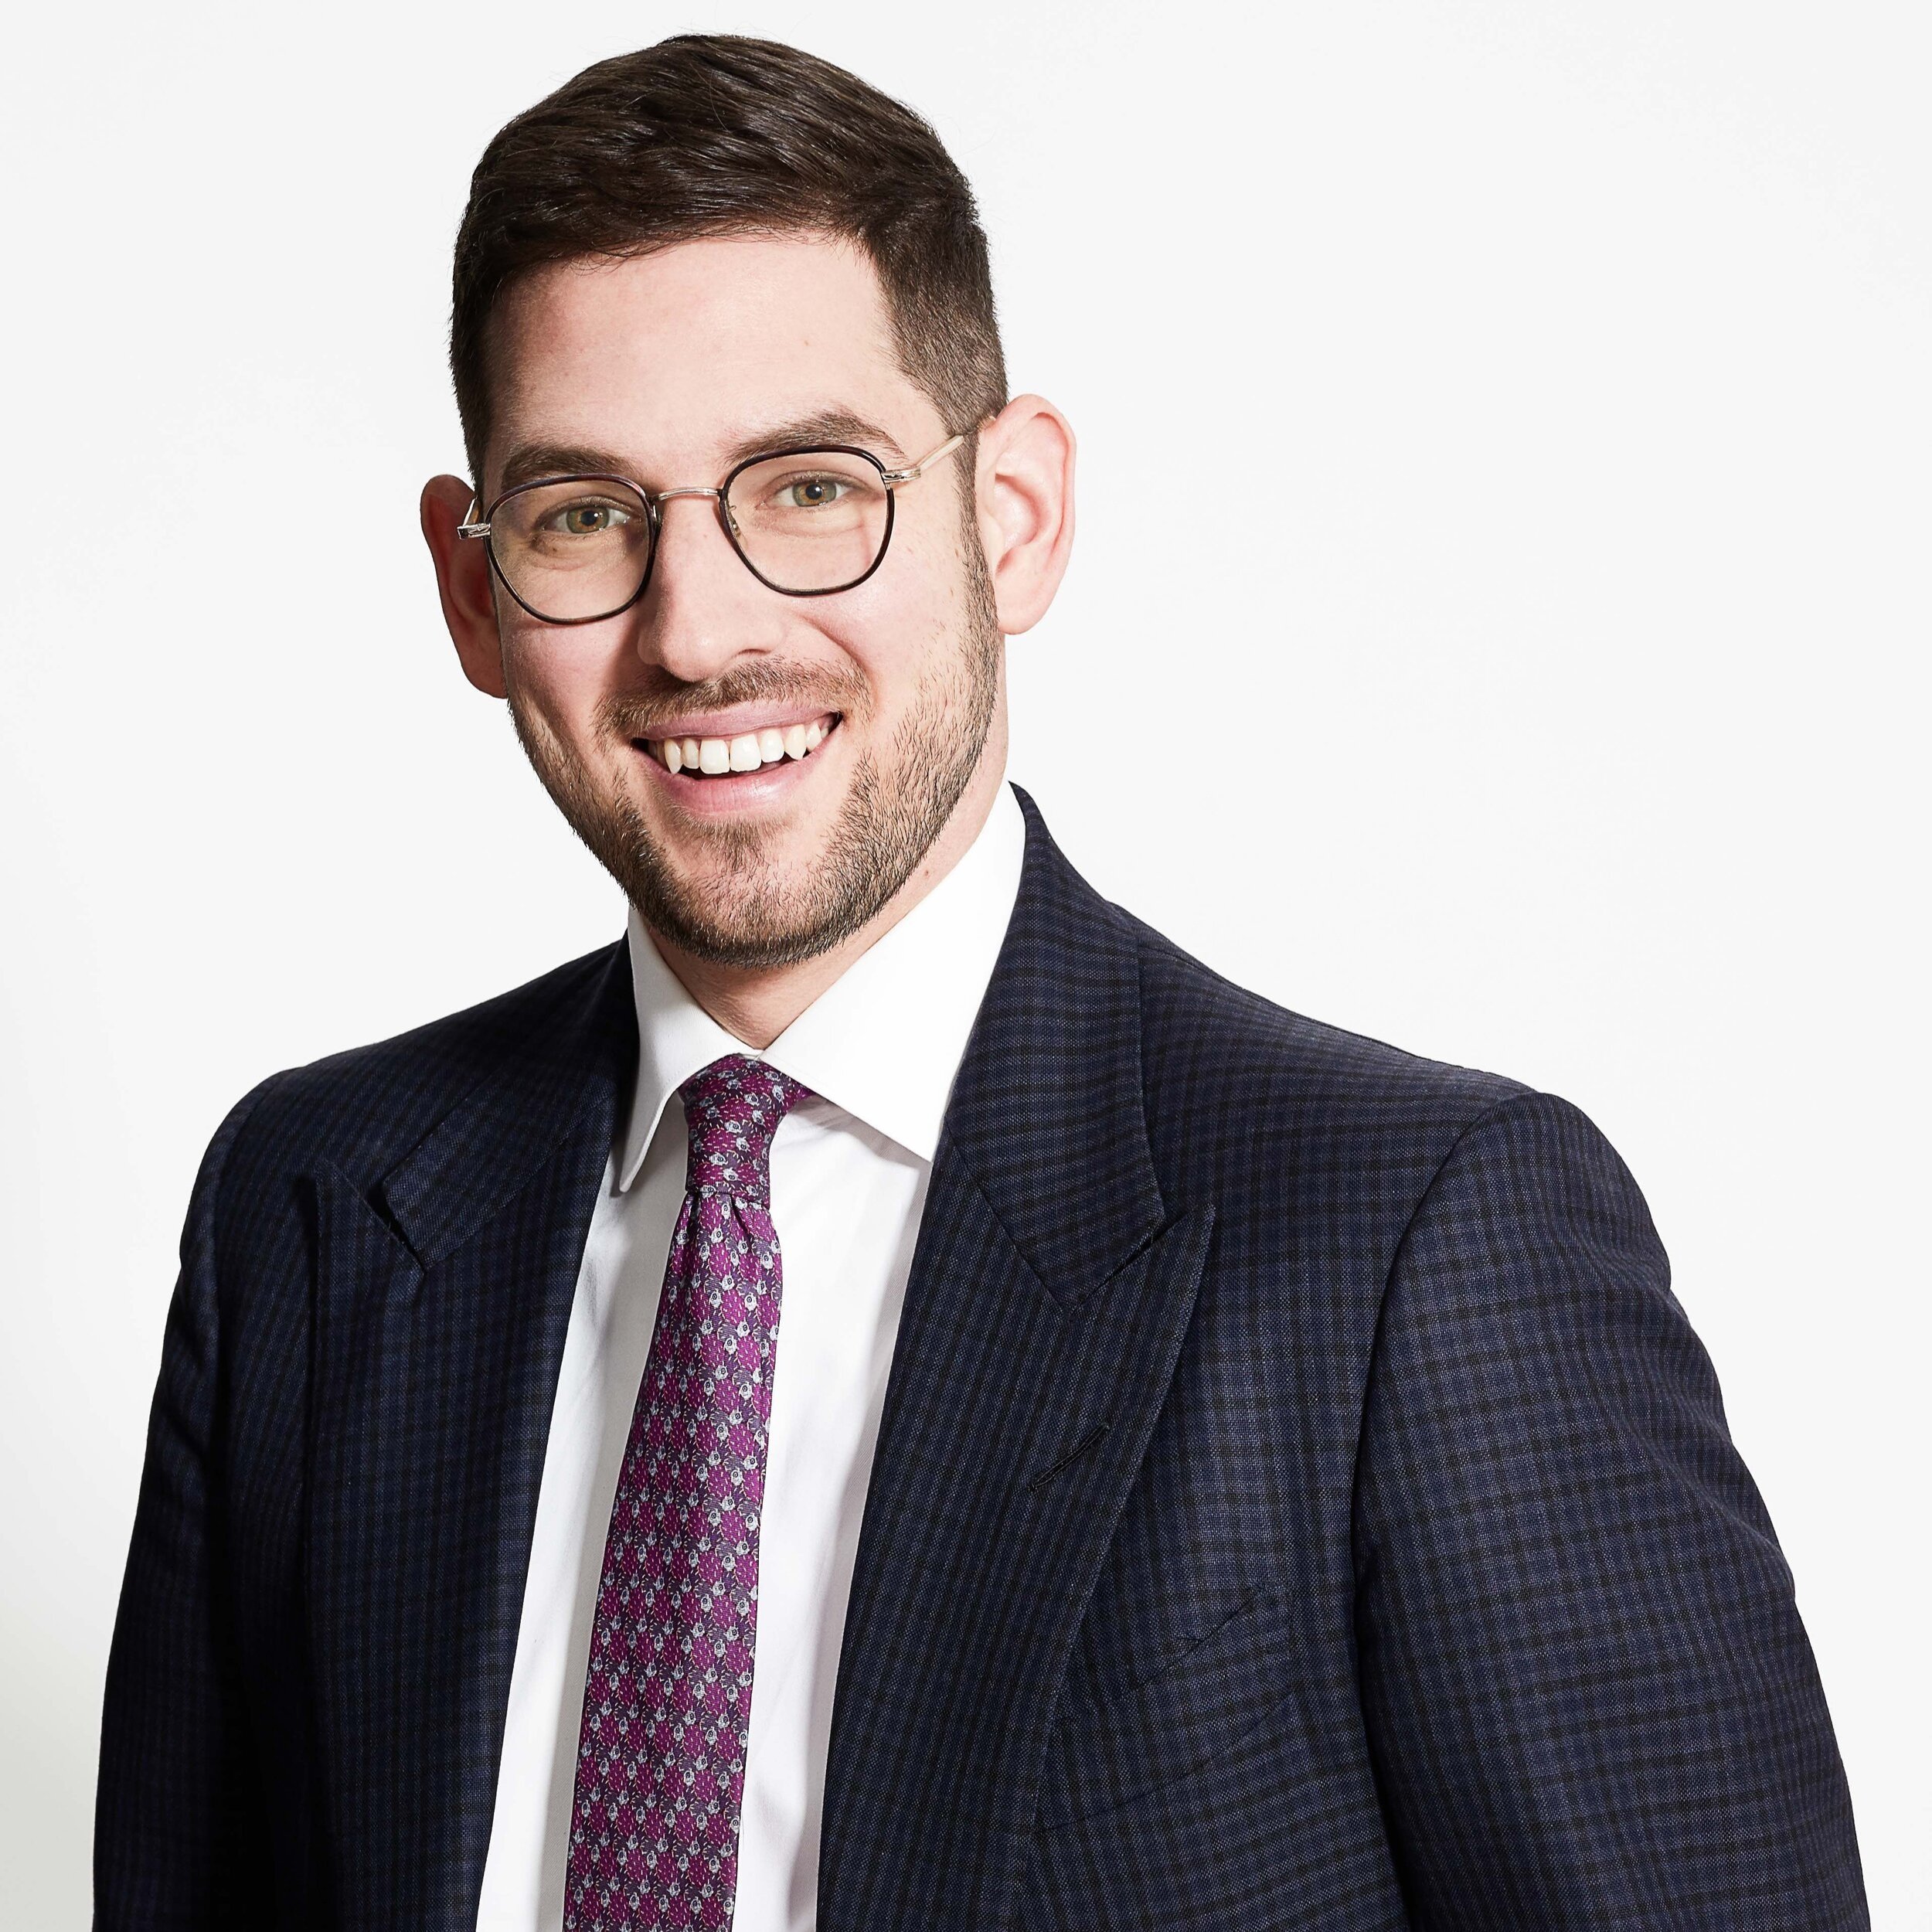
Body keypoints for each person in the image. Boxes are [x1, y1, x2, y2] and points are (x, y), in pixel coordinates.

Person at [94, 32, 1869, 1932]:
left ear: (1010, 513)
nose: (698, 630)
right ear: (475, 591)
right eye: (585, 515)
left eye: (808, 487)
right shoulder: (313, 1210)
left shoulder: (1413, 1244)